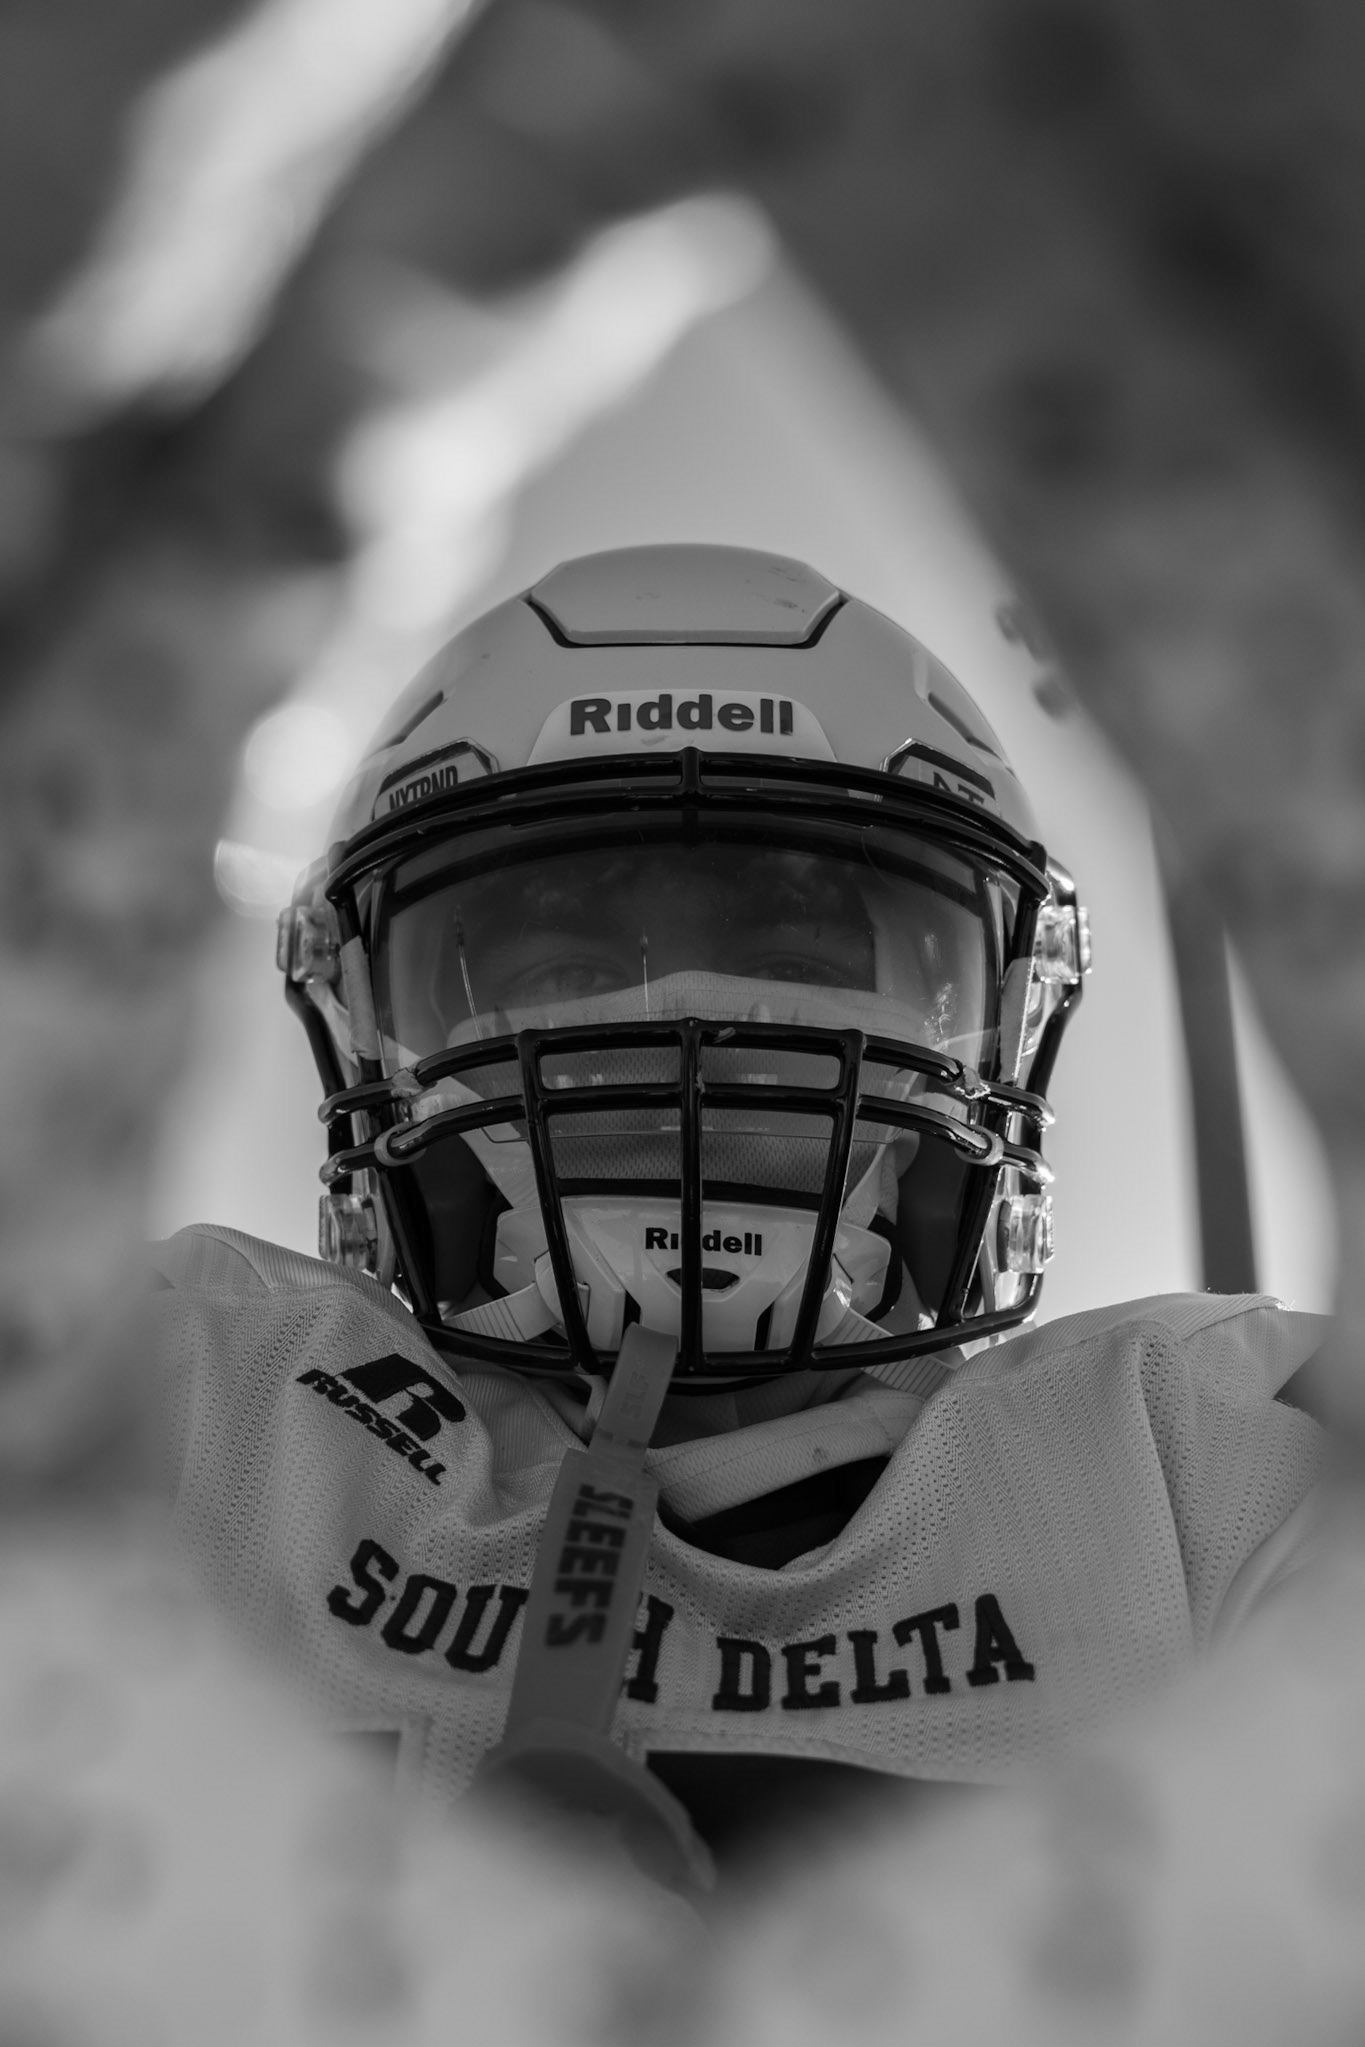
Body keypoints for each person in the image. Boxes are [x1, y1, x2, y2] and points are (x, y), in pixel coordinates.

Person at [153, 544, 1325, 1889]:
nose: (690, 1024)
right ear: (379, 1021)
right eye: (569, 966)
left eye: (794, 958)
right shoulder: (205, 1403)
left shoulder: (1191, 1464)